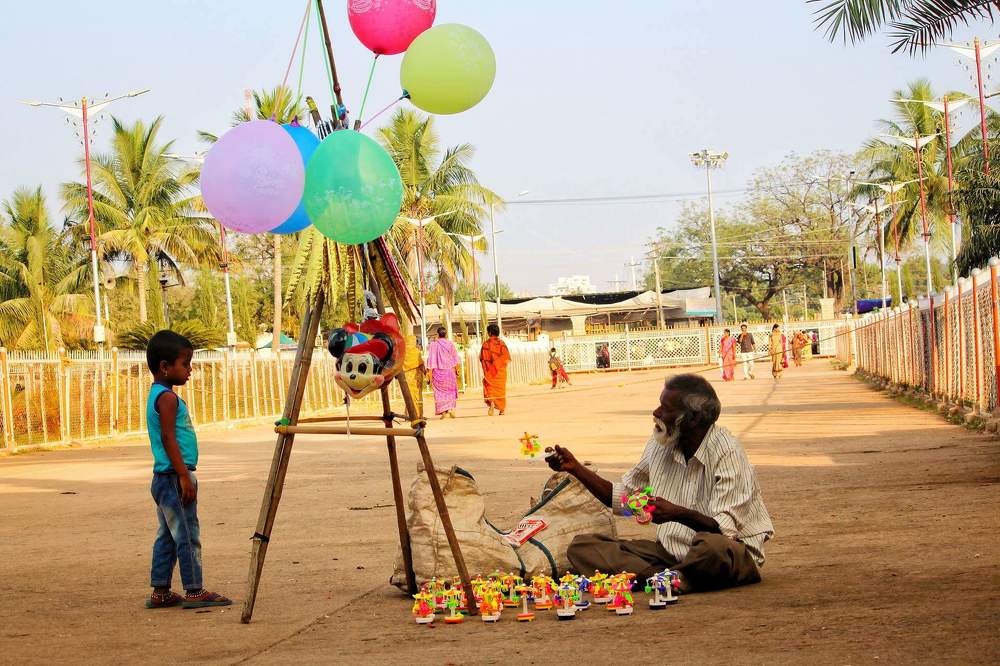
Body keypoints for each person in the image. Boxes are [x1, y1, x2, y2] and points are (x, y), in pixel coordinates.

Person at [545, 374, 773, 592]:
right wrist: (575, 468)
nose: (656, 413)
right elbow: (623, 500)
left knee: (711, 546)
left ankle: (669, 576)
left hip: (728, 553)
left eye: (666, 409)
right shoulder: (660, 443)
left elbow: (724, 531)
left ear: (691, 419)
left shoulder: (727, 451)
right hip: (670, 553)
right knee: (583, 547)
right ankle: (668, 577)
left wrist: (677, 514)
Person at [144, 330, 231, 610]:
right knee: (187, 534)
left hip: (164, 477)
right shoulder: (167, 399)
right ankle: (194, 589)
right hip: (173, 477)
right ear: (164, 367)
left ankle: (161, 591)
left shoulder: (157, 394)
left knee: (167, 535)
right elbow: (169, 438)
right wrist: (184, 475)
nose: (189, 370)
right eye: (185, 364)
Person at [426, 326, 460, 419]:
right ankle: (450, 409)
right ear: (446, 334)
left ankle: (444, 411)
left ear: (438, 334)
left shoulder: (433, 345)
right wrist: (457, 369)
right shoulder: (450, 344)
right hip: (449, 372)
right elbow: (455, 358)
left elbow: (431, 360)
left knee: (440, 393)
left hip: (437, 373)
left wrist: (429, 373)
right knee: (450, 391)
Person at [479, 323, 511, 416]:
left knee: (489, 387)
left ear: (489, 333)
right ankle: (502, 410)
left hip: (490, 372)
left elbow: (483, 359)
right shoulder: (502, 344)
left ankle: (492, 403)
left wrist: (487, 370)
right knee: (501, 390)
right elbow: (506, 358)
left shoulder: (486, 344)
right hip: (500, 372)